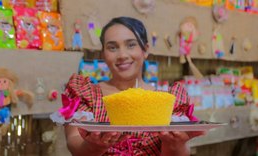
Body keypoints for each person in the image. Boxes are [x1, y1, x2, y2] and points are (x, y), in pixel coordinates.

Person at [63, 16, 204, 156]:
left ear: (145, 50)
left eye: (131, 45)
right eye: (112, 47)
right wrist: (93, 147)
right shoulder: (85, 94)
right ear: (103, 54)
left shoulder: (167, 102)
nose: (122, 55)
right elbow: (73, 141)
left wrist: (174, 145)